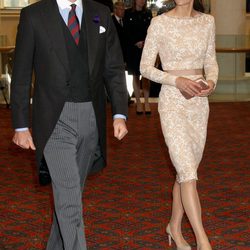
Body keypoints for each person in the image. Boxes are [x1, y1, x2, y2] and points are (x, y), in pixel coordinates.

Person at [10, 0, 128, 249]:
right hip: (53, 121)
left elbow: (113, 67)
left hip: (91, 118)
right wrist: (20, 126)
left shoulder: (100, 13)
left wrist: (120, 113)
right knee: (70, 201)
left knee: (69, 197)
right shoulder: (33, 15)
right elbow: (20, 74)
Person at [140, 0, 218, 249]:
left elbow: (211, 61)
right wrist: (177, 80)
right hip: (173, 102)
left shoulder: (208, 22)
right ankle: (203, 241)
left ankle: (173, 226)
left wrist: (212, 83)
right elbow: (145, 68)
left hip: (198, 104)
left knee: (186, 174)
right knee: (187, 171)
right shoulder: (159, 23)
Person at [124, 0, 152, 114]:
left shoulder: (148, 13)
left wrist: (145, 42)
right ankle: (138, 103)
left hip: (146, 49)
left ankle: (146, 102)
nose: (142, 1)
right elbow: (125, 31)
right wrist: (135, 42)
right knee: (135, 76)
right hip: (133, 49)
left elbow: (151, 31)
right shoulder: (128, 13)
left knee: (146, 76)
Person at [112, 1, 134, 105]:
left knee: (121, 77)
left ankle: (125, 97)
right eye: (120, 9)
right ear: (115, 10)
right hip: (114, 55)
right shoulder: (111, 21)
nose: (122, 11)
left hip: (125, 54)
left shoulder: (126, 21)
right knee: (116, 77)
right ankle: (123, 97)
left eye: (123, 9)